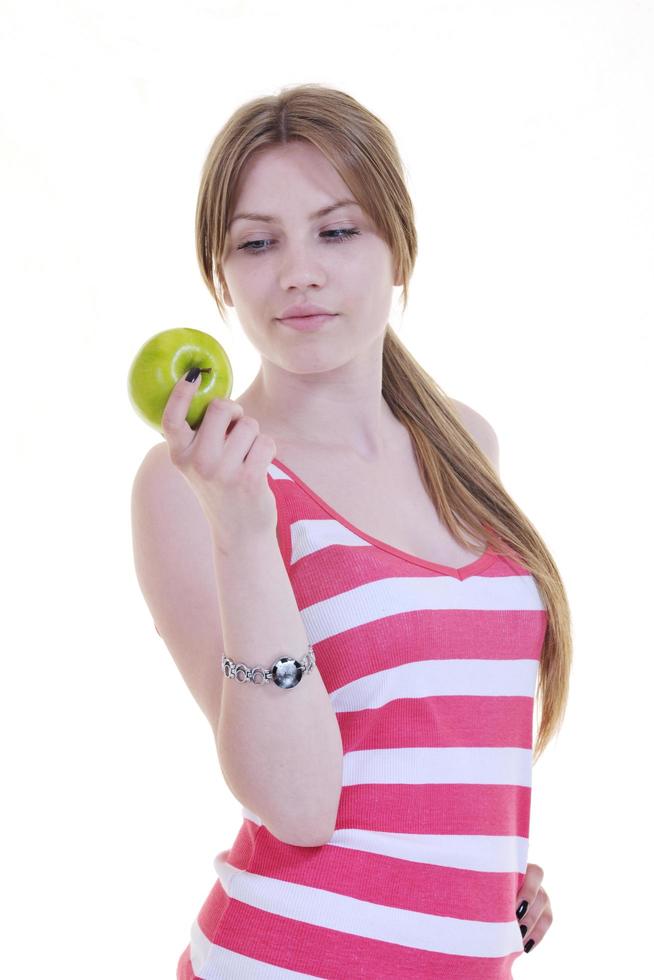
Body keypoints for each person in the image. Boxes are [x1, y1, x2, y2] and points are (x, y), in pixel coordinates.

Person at [131, 83, 567, 978]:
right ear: (221, 276)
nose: (299, 271)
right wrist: (246, 528)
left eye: (338, 230)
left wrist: (477, 873)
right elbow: (296, 806)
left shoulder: (465, 445)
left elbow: (442, 728)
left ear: (399, 250)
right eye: (258, 242)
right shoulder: (194, 484)